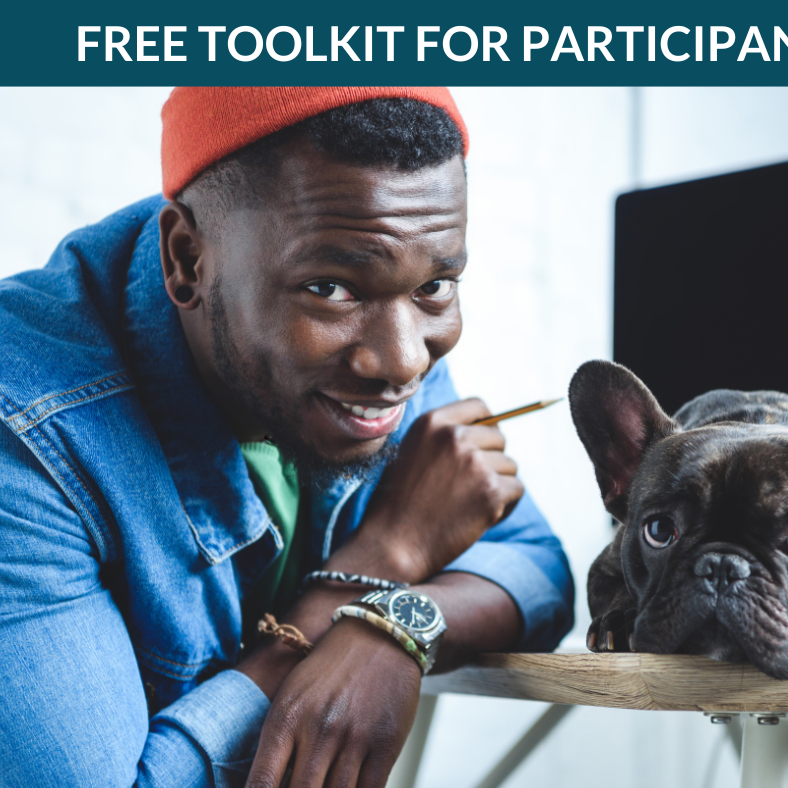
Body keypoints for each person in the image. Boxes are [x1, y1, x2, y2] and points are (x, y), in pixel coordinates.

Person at [0, 86, 574, 787]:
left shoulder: (370, 352)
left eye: (438, 285)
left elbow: (536, 569)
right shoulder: (25, 436)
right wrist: (382, 564)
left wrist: (387, 625)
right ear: (187, 260)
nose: (403, 364)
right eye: (331, 288)